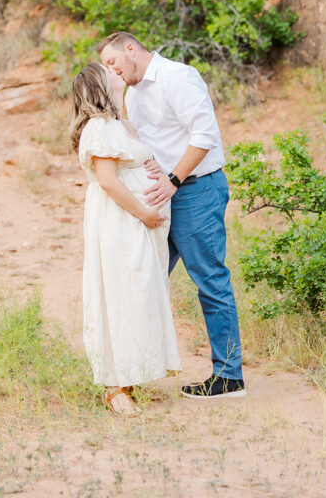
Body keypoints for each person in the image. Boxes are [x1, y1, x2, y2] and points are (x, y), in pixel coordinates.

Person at [98, 31, 245, 399]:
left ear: (131, 49)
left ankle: (229, 377)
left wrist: (174, 179)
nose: (111, 70)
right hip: (162, 197)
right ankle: (128, 375)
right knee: (143, 278)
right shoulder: (133, 93)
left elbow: (205, 135)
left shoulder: (178, 77)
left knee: (210, 280)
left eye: (113, 61)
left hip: (196, 191)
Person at [71, 62, 181, 416]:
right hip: (120, 220)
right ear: (101, 85)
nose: (116, 70)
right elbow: (107, 180)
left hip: (137, 222)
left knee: (138, 293)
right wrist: (145, 212)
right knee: (119, 293)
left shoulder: (123, 124)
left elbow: (131, 165)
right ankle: (114, 388)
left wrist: (154, 170)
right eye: (110, 70)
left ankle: (130, 377)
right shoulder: (99, 127)